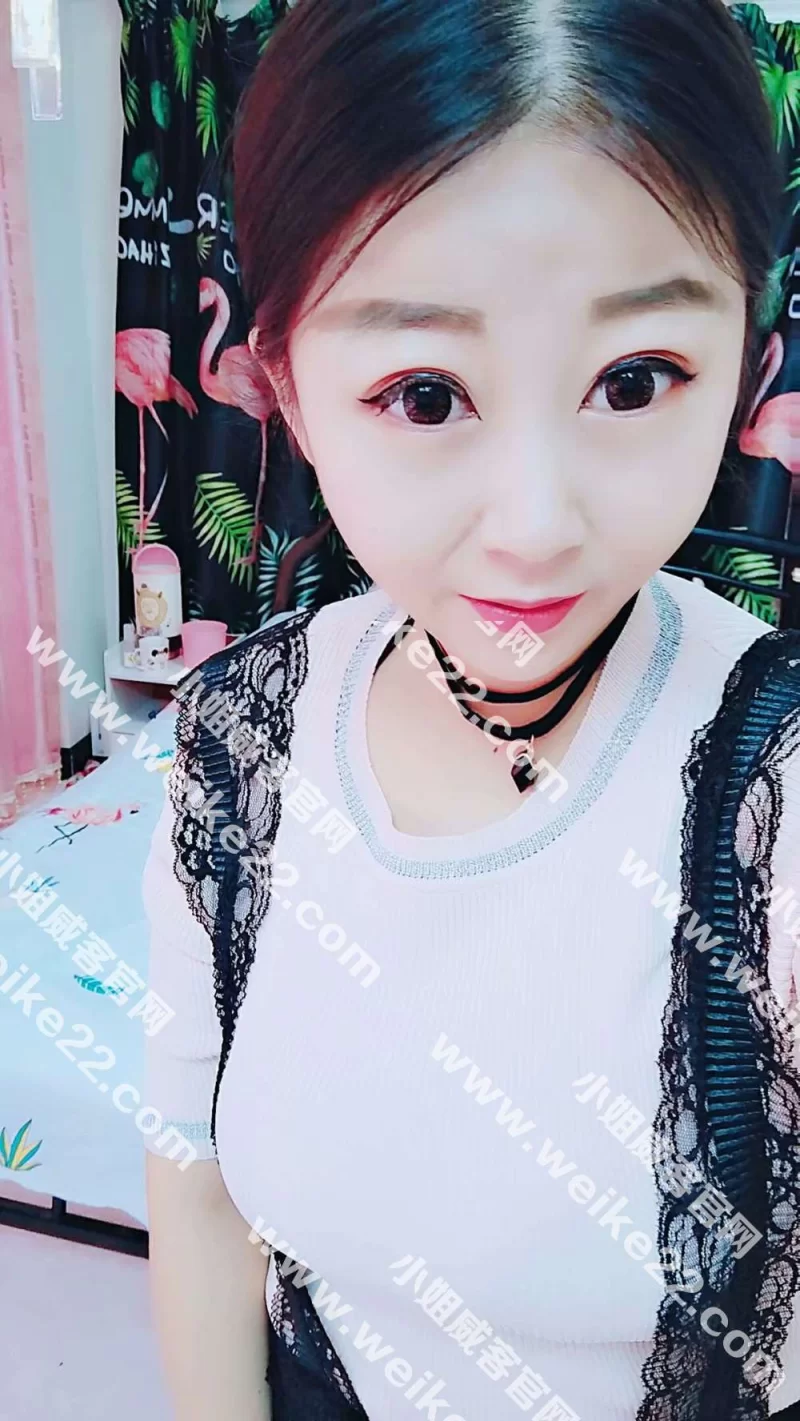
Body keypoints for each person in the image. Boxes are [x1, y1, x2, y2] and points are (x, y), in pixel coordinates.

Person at [141, 2, 800, 1418]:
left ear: (750, 364)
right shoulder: (236, 740)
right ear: (286, 391)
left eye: (636, 381)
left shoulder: (776, 798)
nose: (536, 525)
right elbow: (197, 1182)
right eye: (426, 395)